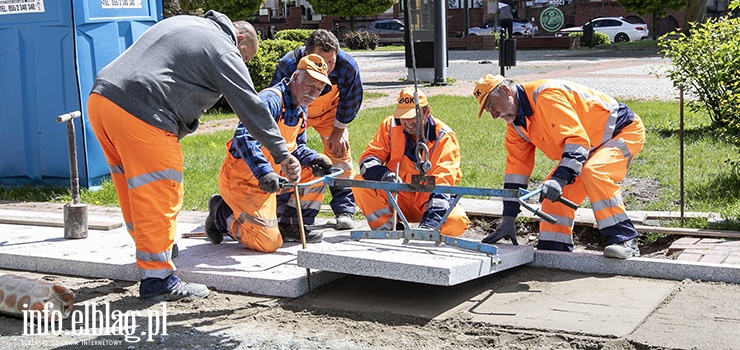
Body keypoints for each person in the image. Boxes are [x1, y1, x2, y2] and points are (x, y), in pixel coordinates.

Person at [87, 11, 301, 302]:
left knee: (133, 187)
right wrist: (281, 153)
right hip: (145, 112)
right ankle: (157, 279)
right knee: (161, 192)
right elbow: (250, 105)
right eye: (245, 58)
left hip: (103, 101)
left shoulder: (185, 23)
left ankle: (153, 249)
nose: (243, 64)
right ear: (239, 39)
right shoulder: (223, 48)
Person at [473, 74, 645, 259]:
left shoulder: (546, 96)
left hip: (622, 132)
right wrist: (508, 218)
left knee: (594, 172)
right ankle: (554, 252)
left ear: (506, 91)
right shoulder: (516, 126)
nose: (494, 115)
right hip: (587, 147)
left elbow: (576, 140)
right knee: (552, 197)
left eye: (492, 106)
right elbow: (517, 170)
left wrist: (560, 179)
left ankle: (624, 240)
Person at [205, 54, 334, 251]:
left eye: (319, 88)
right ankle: (221, 213)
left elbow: (296, 147)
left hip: (272, 176)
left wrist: (314, 159)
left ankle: (289, 225)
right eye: (310, 85)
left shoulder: (301, 108)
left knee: (314, 174)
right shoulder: (271, 101)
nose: (314, 92)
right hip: (244, 179)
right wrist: (264, 172)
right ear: (295, 78)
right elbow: (243, 138)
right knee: (267, 242)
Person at [270, 29, 362, 230]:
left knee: (340, 154)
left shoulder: (347, 66)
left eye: (331, 62)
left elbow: (352, 100)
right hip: (295, 110)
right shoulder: (288, 64)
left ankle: (345, 209)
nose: (327, 68)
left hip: (328, 114)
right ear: (306, 55)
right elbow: (275, 98)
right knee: (285, 154)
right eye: (321, 61)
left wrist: (338, 131)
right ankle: (281, 206)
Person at [353, 87, 470, 236]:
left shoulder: (444, 136)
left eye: (413, 116)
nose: (407, 123)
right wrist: (384, 176)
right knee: (360, 183)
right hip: (397, 196)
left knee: (456, 222)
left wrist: (429, 226)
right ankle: (390, 231)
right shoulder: (390, 125)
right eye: (403, 117)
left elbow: (443, 183)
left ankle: (430, 233)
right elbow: (368, 159)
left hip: (428, 199)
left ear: (426, 112)